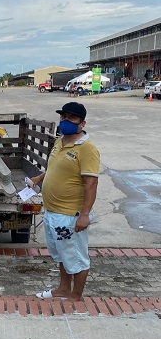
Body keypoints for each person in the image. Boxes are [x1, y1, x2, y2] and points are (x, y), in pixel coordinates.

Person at [31, 102, 99, 301]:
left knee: (76, 257)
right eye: (64, 117)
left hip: (70, 215)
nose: (66, 121)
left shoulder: (87, 149)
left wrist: (84, 215)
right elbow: (54, 168)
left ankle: (75, 297)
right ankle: (63, 289)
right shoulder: (59, 142)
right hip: (52, 212)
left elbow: (91, 184)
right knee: (63, 254)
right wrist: (39, 178)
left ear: (82, 123)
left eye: (72, 118)